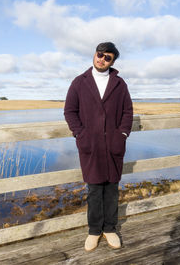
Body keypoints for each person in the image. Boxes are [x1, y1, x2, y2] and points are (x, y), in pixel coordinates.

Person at [64, 42, 133, 251]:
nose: (102, 59)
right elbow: (69, 111)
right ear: (94, 54)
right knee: (94, 189)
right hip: (90, 145)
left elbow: (128, 112)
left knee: (111, 189)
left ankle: (110, 229)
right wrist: (80, 134)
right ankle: (94, 231)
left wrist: (121, 134)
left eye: (107, 57)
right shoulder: (79, 82)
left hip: (113, 144)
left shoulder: (120, 84)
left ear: (113, 61)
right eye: (100, 54)